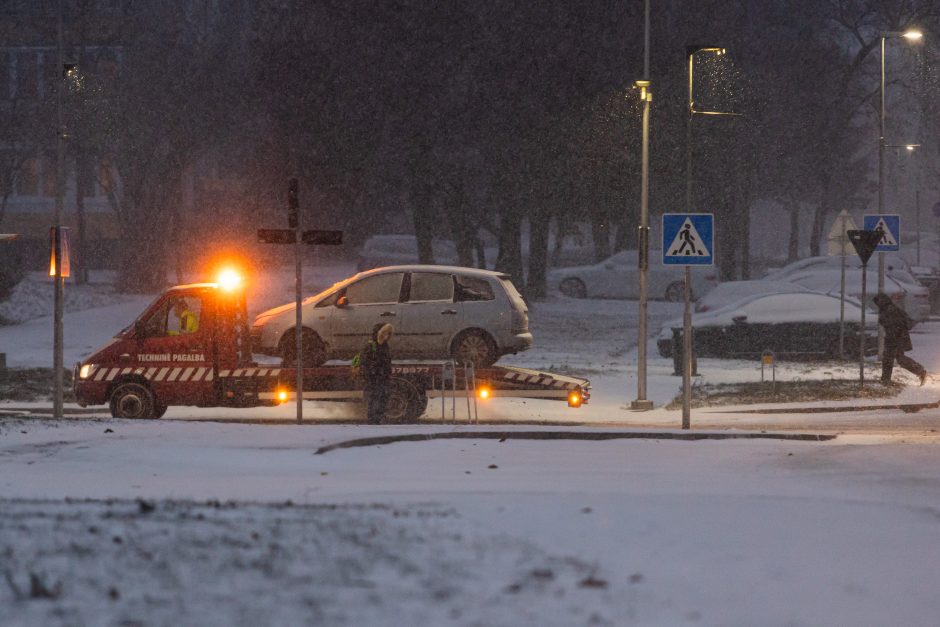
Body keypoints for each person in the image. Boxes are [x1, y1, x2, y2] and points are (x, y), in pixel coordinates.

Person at [873, 293, 926, 385]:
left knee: (891, 359)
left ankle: (886, 379)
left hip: (895, 338)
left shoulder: (888, 311)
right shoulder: (892, 309)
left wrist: (897, 331)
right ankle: (919, 370)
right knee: (896, 358)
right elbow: (907, 322)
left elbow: (887, 323)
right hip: (898, 337)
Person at [359, 323, 393, 424]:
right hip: (375, 377)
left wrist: (386, 372)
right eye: (386, 333)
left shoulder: (385, 345)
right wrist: (373, 372)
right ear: (380, 334)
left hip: (382, 377)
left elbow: (386, 361)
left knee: (383, 397)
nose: (388, 336)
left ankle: (379, 417)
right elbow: (365, 362)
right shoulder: (371, 345)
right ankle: (373, 419)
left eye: (389, 334)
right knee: (375, 397)